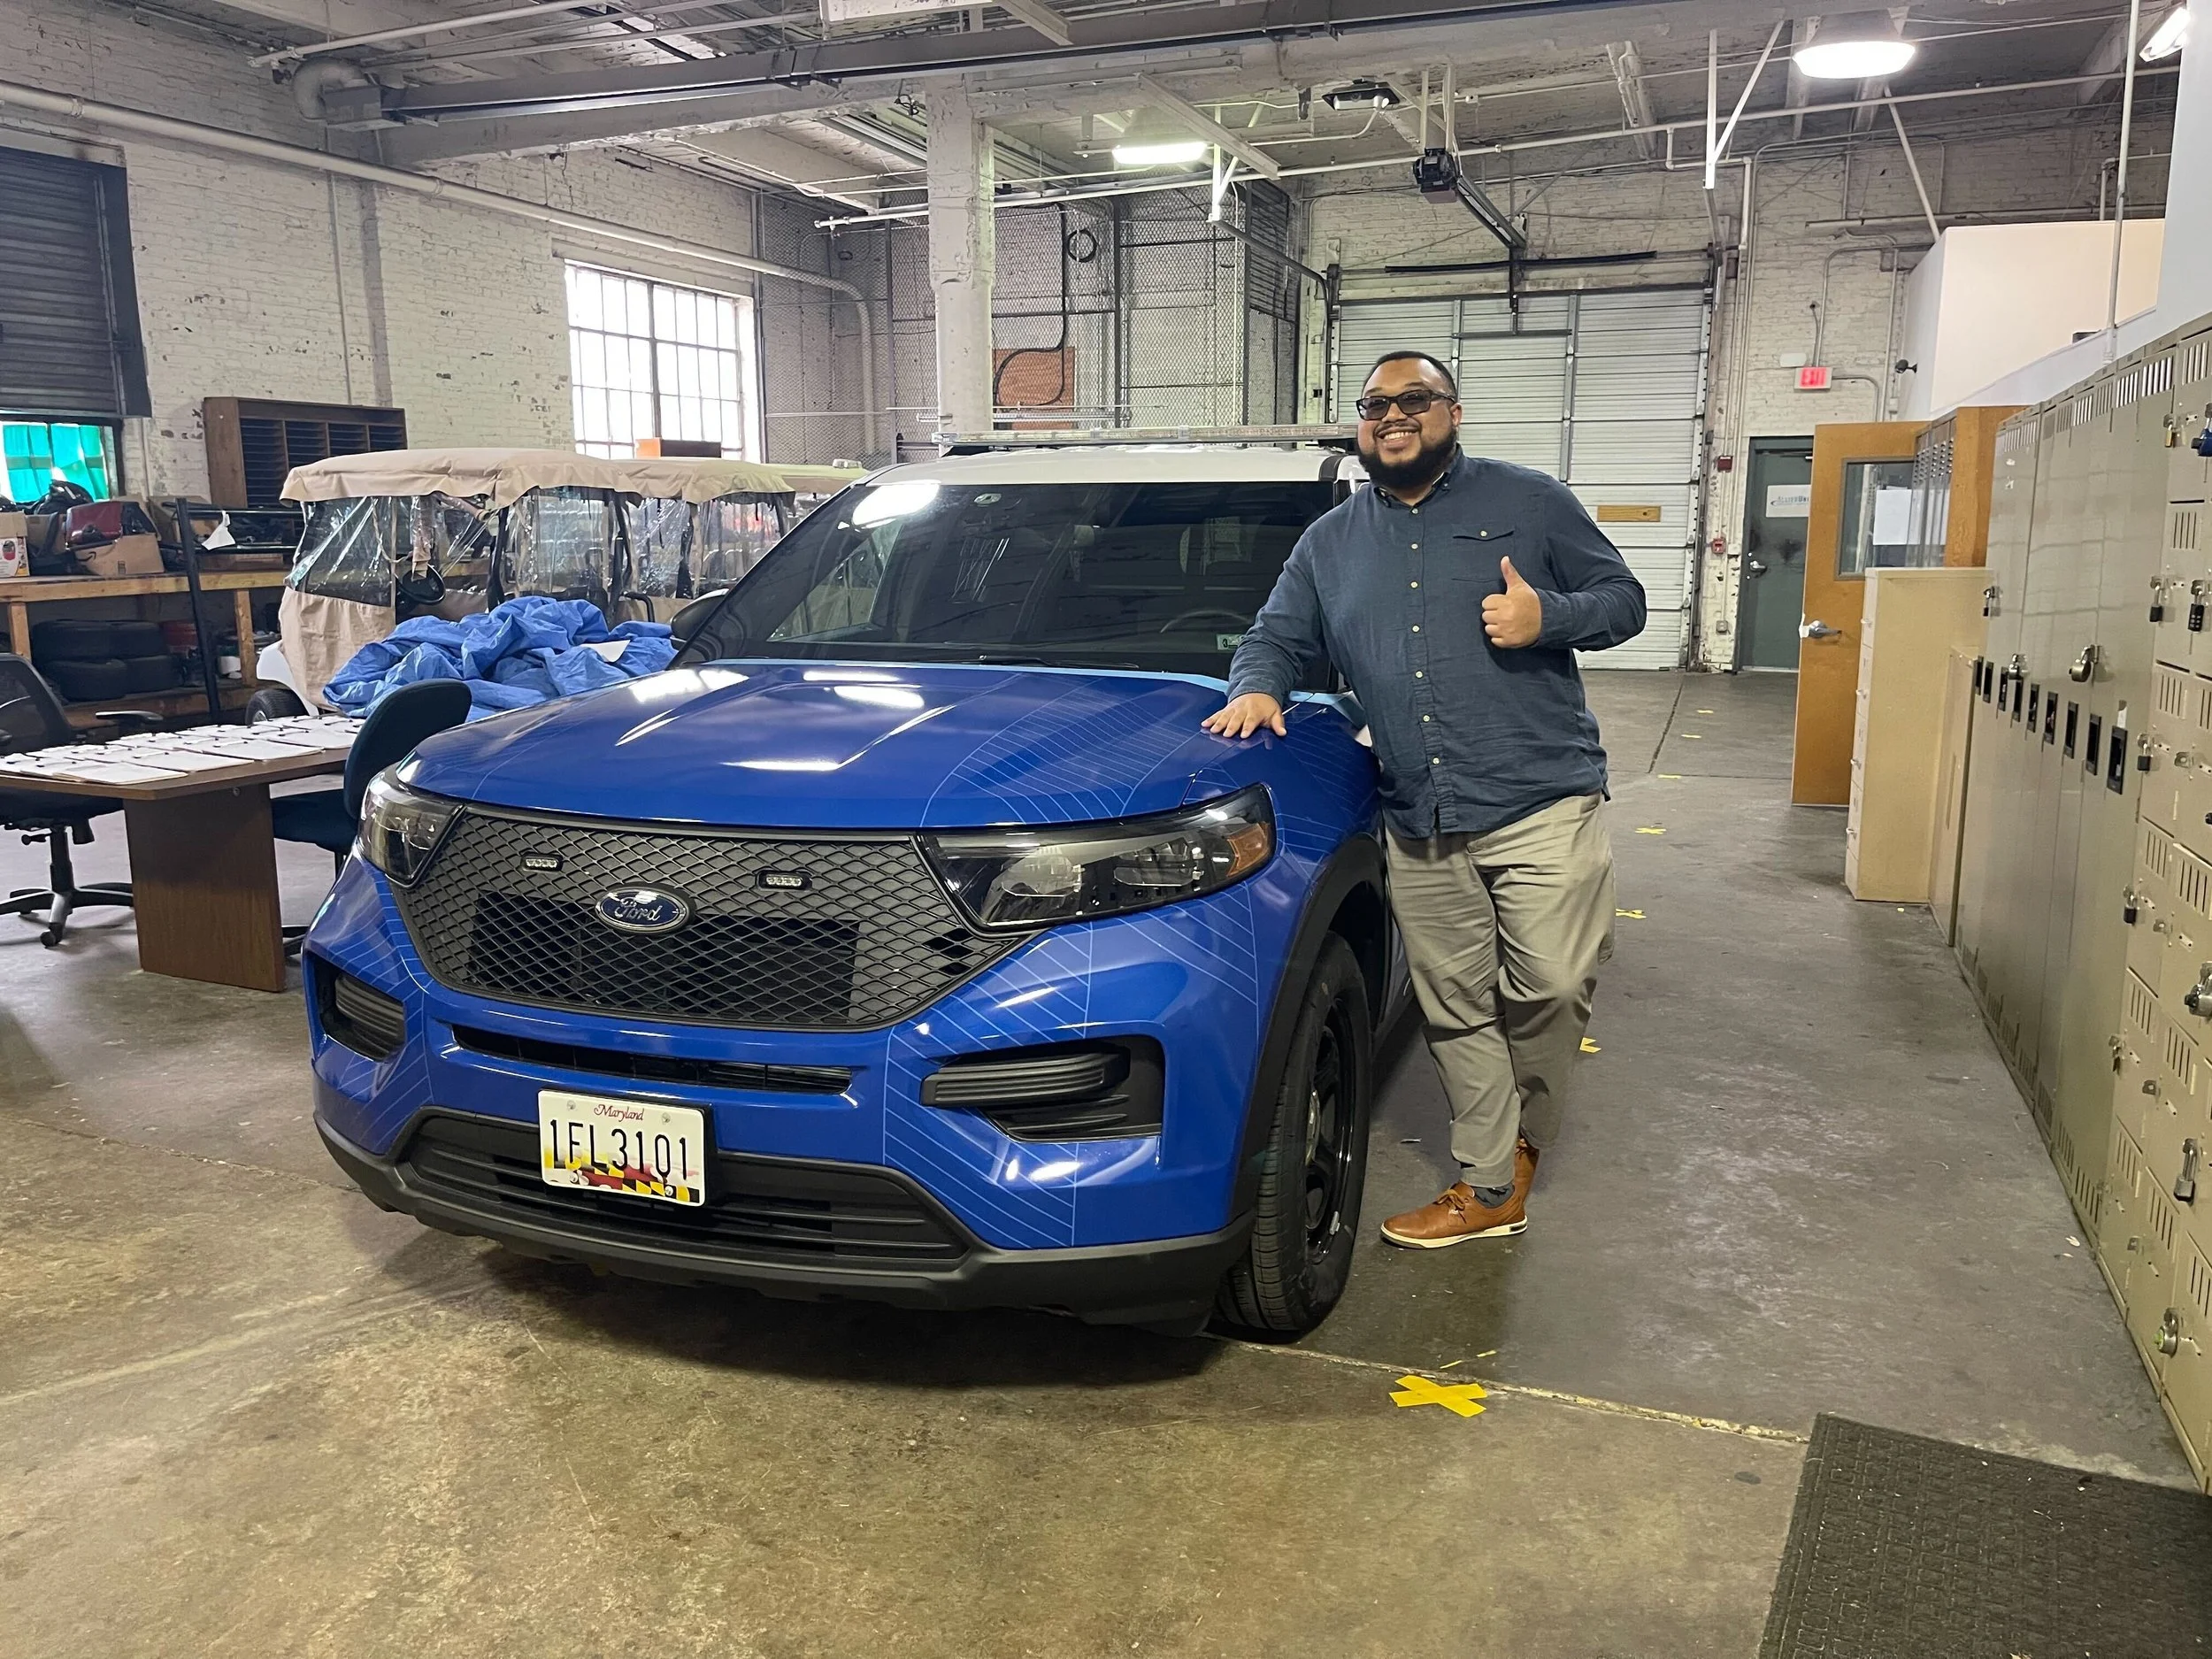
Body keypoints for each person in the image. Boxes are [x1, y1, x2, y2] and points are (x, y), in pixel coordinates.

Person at [1202, 349, 1646, 1248]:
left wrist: (1545, 620)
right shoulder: (1330, 542)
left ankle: (1524, 1137)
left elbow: (1622, 600)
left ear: (1452, 412)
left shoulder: (1527, 502)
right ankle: (1488, 1186)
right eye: (1374, 406)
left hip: (1537, 797)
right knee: (1454, 1005)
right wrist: (1256, 686)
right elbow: (1275, 635)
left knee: (1551, 988)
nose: (1392, 417)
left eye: (1413, 401)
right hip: (1418, 814)